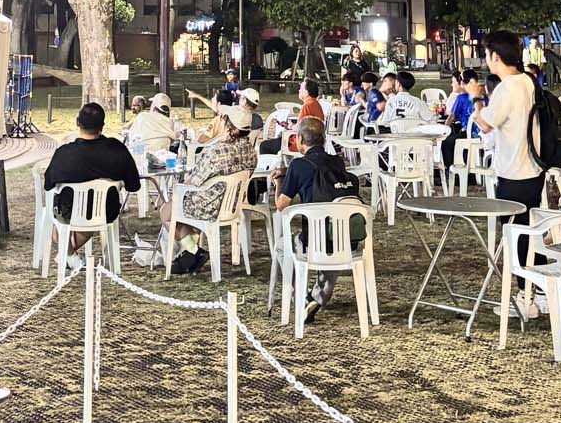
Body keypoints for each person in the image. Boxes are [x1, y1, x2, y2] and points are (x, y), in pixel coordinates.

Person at [276, 115, 364, 321]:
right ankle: (318, 296)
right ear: (323, 139)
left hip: (316, 240)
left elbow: (281, 205)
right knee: (334, 240)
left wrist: (279, 182)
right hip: (348, 239)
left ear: (299, 138)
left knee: (281, 246)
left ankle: (301, 297)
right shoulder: (338, 162)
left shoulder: (298, 165)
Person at [159, 101, 257, 273]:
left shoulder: (216, 152)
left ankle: (193, 251)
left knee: (166, 212)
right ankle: (190, 257)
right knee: (183, 212)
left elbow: (193, 182)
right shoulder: (252, 152)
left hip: (208, 206)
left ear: (227, 126)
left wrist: (179, 187)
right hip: (232, 206)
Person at [475, 30, 544, 258]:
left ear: (495, 56)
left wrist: (475, 98)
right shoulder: (528, 81)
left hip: (513, 173)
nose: (486, 59)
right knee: (529, 231)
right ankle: (536, 275)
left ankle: (525, 279)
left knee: (515, 233)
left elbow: (485, 124)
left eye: (486, 54)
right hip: (534, 168)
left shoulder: (506, 88)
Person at [43, 103, 141, 252]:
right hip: (107, 211)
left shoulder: (63, 153)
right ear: (102, 126)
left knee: (54, 223)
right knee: (87, 217)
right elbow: (134, 185)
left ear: (77, 122)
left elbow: (48, 184)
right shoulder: (117, 149)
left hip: (68, 213)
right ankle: (70, 253)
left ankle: (69, 253)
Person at [126, 90, 178, 165]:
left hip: (139, 160)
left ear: (153, 106)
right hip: (161, 162)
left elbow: (129, 135)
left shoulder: (142, 116)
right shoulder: (171, 123)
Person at [378, 68, 428, 134]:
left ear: (398, 83)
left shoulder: (390, 101)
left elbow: (385, 123)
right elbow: (431, 119)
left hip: (395, 138)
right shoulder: (418, 102)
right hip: (414, 138)